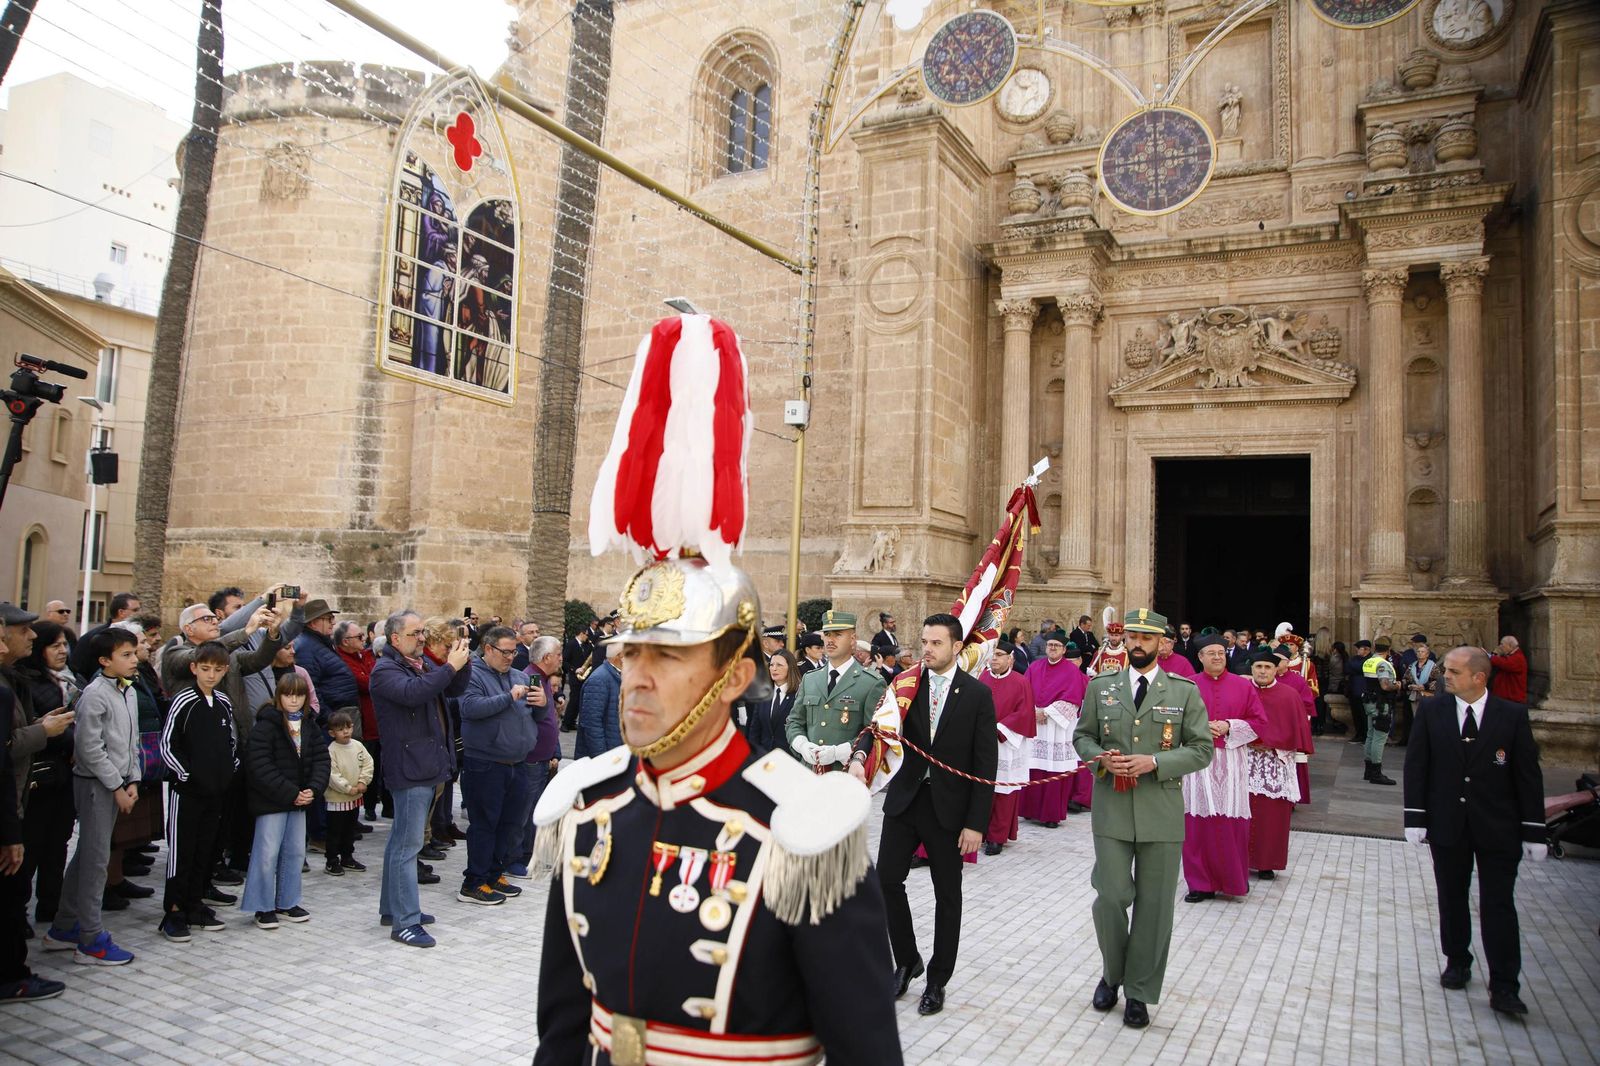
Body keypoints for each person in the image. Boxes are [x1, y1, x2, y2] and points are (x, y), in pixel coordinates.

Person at [535, 310, 900, 1064]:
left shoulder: (803, 831)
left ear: (734, 677)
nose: (635, 676)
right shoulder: (587, 804)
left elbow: (866, 1050)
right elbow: (564, 1030)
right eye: (631, 653)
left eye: (667, 659)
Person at [849, 613, 996, 1017]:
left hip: (950, 812)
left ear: (955, 648)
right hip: (905, 802)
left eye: (935, 643)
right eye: (924, 642)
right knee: (886, 882)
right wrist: (861, 756)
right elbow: (875, 728)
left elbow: (986, 764)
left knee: (947, 896)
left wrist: (975, 824)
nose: (926, 649)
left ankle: (937, 979)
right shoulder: (905, 685)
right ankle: (907, 960)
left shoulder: (977, 696)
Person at [1072, 609, 1212, 1029]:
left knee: (1154, 908)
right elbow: (1083, 736)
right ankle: (1112, 974)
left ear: (1162, 644)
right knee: (1112, 895)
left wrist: (1155, 761)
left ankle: (1139, 991)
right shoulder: (1101, 687)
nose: (1138, 644)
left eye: (1147, 638)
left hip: (1161, 812)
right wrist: (1101, 761)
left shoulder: (1184, 691)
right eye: (1132, 636)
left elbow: (1202, 748)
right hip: (1112, 809)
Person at [1404, 646, 1546, 1017]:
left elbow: (1528, 776)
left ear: (1479, 677)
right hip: (1449, 824)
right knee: (1452, 895)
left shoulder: (1511, 715)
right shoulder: (1433, 711)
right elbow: (1417, 765)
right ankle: (1457, 959)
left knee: (1498, 904)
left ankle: (1504, 985)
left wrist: (1534, 830)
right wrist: (1416, 817)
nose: (1444, 675)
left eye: (1452, 671)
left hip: (1498, 826)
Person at [369, 610, 471, 947]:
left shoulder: (419, 665)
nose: (422, 638)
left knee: (401, 841)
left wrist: (461, 655)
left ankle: (392, 909)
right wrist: (449, 667)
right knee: (408, 845)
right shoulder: (385, 670)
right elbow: (415, 693)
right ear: (395, 638)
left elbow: (452, 687)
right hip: (410, 768)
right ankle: (406, 922)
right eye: (415, 633)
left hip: (424, 763)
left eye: (422, 633)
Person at [44, 625, 139, 965]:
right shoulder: (95, 694)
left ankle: (64, 926)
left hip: (117, 782)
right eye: (125, 655)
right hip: (96, 785)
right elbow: (89, 749)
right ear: (104, 660)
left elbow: (132, 741)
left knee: (88, 855)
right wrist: (116, 785)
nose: (133, 660)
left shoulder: (127, 689)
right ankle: (90, 938)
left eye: (134, 653)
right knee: (97, 861)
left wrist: (134, 779)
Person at [2, 609, 69, 1002]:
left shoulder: (15, 678)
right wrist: (42, 732)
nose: (30, 637)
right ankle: (12, 975)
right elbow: (7, 746)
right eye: (22, 631)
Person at [157, 640, 239, 942]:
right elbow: (167, 744)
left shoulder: (223, 702)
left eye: (217, 670)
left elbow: (230, 742)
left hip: (215, 791)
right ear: (194, 668)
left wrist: (228, 770)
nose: (211, 675)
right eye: (205, 669)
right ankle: (174, 911)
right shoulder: (183, 700)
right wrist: (186, 775)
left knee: (205, 848)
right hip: (188, 791)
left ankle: (194, 903)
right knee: (182, 851)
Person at [6, 619, 80, 929]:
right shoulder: (24, 682)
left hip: (64, 773)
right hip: (38, 775)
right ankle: (18, 914)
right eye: (55, 645)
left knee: (58, 841)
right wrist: (47, 729)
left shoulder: (68, 679)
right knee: (31, 845)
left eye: (65, 645)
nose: (62, 651)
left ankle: (50, 904)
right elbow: (18, 736)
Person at [1182, 634, 1267, 902]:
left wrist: (1230, 725)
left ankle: (1234, 880)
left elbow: (1259, 722)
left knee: (1232, 824)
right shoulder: (1188, 686)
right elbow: (1173, 721)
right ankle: (1199, 883)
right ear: (1200, 657)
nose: (1217, 657)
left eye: (1221, 652)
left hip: (1232, 761)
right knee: (1196, 823)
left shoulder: (1244, 687)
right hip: (1197, 762)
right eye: (1211, 653)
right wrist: (1199, 728)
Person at [240, 673, 329, 929]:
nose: (293, 700)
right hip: (272, 801)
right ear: (279, 696)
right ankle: (262, 905)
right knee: (266, 853)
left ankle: (287, 901)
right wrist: (291, 792)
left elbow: (321, 760)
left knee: (295, 851)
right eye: (288, 694)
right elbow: (260, 766)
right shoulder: (266, 726)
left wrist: (313, 789)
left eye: (299, 695)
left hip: (299, 800)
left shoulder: (309, 724)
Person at [457, 626, 537, 907]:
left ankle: (494, 873)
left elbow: (532, 714)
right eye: (506, 651)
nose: (511, 657)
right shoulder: (471, 675)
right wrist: (508, 697)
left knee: (510, 823)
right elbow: (470, 709)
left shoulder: (518, 675)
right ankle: (474, 881)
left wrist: (542, 704)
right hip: (485, 763)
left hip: (517, 762)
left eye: (514, 651)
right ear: (488, 649)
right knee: (484, 825)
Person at [786, 610, 886, 772]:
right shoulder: (810, 679)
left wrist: (840, 752)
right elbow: (794, 721)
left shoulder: (870, 683)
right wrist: (802, 745)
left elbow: (874, 732)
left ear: (853, 639)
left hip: (844, 773)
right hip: (809, 772)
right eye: (827, 634)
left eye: (838, 635)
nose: (830, 640)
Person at [1245, 648, 1303, 882]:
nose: (1263, 671)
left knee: (1272, 817)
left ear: (1276, 670)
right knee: (1244, 813)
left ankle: (1267, 863)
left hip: (1274, 763)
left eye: (1267, 667)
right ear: (1252, 669)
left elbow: (1296, 732)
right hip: (1246, 761)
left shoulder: (1289, 695)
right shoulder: (1243, 691)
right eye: (1258, 667)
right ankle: (1242, 859)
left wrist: (1270, 743)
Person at [1021, 633, 1089, 826]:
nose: (1052, 648)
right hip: (1035, 724)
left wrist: (1047, 713)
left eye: (1056, 646)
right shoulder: (1035, 667)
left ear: (1064, 649)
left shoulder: (1072, 671)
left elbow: (1073, 699)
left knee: (1055, 770)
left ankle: (1051, 815)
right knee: (1034, 766)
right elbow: (1024, 691)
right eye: (1050, 645)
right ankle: (1030, 809)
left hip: (1057, 727)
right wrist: (1034, 712)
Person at [981, 641, 1034, 855]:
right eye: (993, 655)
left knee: (1003, 792)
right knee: (983, 789)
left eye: (1000, 655)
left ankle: (997, 837)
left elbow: (1025, 713)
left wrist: (998, 728)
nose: (994, 658)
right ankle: (980, 831)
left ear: (1010, 658)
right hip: (982, 744)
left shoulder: (1020, 682)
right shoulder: (982, 678)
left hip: (1006, 745)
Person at [332, 622, 384, 820]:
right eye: (359, 637)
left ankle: (370, 806)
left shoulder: (366, 656)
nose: (364, 640)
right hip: (360, 725)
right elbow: (368, 682)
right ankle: (357, 812)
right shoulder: (342, 660)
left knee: (375, 766)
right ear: (346, 641)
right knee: (356, 769)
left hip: (375, 721)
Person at [322, 710, 372, 875]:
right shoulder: (331, 750)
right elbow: (332, 775)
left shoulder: (358, 745)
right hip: (337, 800)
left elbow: (368, 763)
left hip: (355, 797)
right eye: (341, 729)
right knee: (335, 831)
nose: (346, 732)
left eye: (349, 727)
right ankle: (331, 860)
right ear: (331, 733)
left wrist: (363, 781)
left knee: (350, 830)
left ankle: (347, 857)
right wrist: (347, 788)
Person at [67, 592, 140, 679]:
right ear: (121, 612)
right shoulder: (94, 637)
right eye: (135, 610)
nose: (139, 614)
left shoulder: (139, 634)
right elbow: (79, 669)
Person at [1361, 640, 1401, 785]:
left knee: (1370, 735)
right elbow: (1385, 685)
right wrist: (1397, 685)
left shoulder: (1369, 661)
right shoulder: (1382, 663)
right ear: (1388, 649)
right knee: (1379, 737)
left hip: (1370, 702)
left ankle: (1368, 770)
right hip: (1381, 704)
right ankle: (1376, 773)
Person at [746, 649, 796, 754]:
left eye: (779, 665)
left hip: (790, 758)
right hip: (764, 758)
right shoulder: (764, 695)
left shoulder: (798, 695)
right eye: (771, 665)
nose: (774, 669)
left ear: (790, 668)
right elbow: (755, 729)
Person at [575, 649, 621, 759]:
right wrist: (602, 758)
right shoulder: (599, 679)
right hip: (604, 758)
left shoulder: (618, 676)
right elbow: (591, 723)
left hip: (616, 753)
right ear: (620, 655)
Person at [1404, 642, 1441, 744]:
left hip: (1428, 695)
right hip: (1415, 695)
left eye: (1422, 652)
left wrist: (1424, 686)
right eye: (1418, 652)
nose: (1420, 654)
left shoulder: (1433, 666)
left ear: (1427, 654)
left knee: (1428, 719)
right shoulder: (1412, 666)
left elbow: (1438, 681)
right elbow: (1405, 679)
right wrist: (1409, 685)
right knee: (1417, 719)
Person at [1087, 608, 1127, 676]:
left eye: (1116, 635)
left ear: (1122, 636)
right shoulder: (1099, 653)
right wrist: (1092, 673)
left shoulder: (1128, 654)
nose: (1114, 638)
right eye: (1111, 635)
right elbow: (1093, 670)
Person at [1489, 636, 1527, 703]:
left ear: (1510, 645)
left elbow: (1504, 663)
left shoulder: (1518, 657)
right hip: (1504, 697)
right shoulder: (1509, 656)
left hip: (1513, 698)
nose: (1500, 646)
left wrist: (1492, 657)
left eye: (1502, 644)